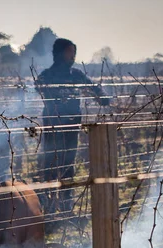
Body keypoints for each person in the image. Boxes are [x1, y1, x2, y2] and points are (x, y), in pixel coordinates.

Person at [36, 38, 109, 212]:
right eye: (70, 52)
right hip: (53, 126)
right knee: (50, 163)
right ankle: (50, 205)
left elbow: (95, 90)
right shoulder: (46, 76)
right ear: (60, 53)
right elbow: (38, 87)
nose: (73, 56)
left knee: (68, 164)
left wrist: (103, 97)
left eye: (74, 52)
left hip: (72, 127)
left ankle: (66, 204)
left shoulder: (76, 75)